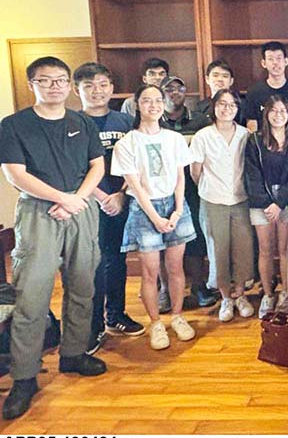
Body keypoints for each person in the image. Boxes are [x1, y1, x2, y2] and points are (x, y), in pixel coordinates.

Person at [0, 56, 107, 420]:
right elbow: (15, 174)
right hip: (38, 213)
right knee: (32, 295)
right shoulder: (15, 125)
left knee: (82, 286)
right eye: (46, 81)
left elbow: (98, 165)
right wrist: (61, 199)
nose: (55, 87)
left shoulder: (81, 122)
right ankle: (24, 376)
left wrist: (76, 199)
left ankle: (74, 353)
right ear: (33, 84)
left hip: (80, 209)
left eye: (61, 80)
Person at [111, 84, 198, 351]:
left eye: (158, 100)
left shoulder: (173, 138)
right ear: (137, 105)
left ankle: (178, 316)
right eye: (147, 100)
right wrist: (156, 217)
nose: (153, 105)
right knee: (149, 272)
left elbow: (181, 175)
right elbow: (134, 186)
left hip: (175, 205)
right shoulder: (127, 142)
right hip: (144, 209)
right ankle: (156, 323)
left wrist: (178, 210)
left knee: (175, 267)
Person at [72, 62, 145, 356]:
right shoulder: (71, 123)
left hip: (121, 200)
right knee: (91, 265)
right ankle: (91, 327)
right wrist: (103, 197)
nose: (96, 91)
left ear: (111, 88)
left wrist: (122, 194)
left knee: (116, 260)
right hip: (88, 203)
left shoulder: (124, 122)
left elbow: (137, 164)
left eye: (102, 84)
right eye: (88, 86)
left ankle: (115, 315)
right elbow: (73, 170)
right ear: (77, 90)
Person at [190, 89, 255, 322]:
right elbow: (195, 171)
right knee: (218, 249)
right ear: (214, 107)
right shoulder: (203, 136)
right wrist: (209, 188)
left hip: (241, 199)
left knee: (243, 248)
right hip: (212, 200)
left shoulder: (246, 134)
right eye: (222, 104)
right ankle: (226, 298)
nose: (227, 109)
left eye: (232, 105)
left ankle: (241, 294)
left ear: (238, 109)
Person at [244, 95, 288, 318]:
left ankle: (286, 293)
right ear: (266, 114)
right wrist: (267, 203)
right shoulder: (254, 140)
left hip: (287, 202)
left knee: (285, 251)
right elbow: (251, 176)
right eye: (273, 111)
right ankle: (268, 294)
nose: (278, 115)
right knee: (265, 250)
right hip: (261, 202)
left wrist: (279, 203)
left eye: (283, 111)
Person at [159, 76, 217, 309]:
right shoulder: (153, 120)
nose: (175, 92)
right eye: (169, 89)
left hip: (193, 188)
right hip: (161, 188)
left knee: (195, 236)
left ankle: (198, 285)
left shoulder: (200, 121)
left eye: (179, 88)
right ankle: (165, 289)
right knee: (163, 238)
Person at [195, 59, 246, 127]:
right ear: (207, 79)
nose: (220, 79)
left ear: (231, 81)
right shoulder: (201, 107)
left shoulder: (241, 104)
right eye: (215, 75)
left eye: (225, 76)